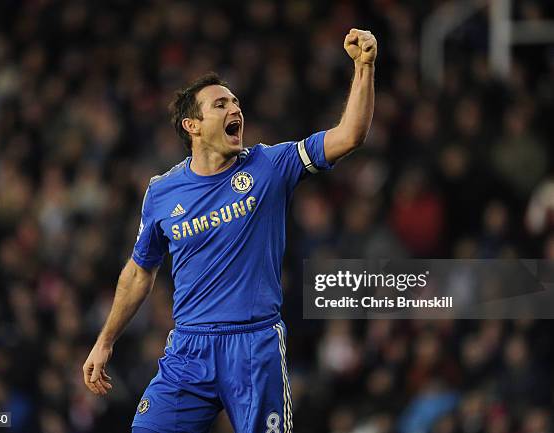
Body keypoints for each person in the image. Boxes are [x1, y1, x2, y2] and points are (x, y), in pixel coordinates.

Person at [83, 28, 377, 433]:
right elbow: (139, 272)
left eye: (236, 102)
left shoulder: (270, 166)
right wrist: (105, 340)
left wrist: (364, 67)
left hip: (254, 347)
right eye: (220, 104)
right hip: (189, 348)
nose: (234, 109)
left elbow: (350, 136)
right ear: (193, 125)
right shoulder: (162, 192)